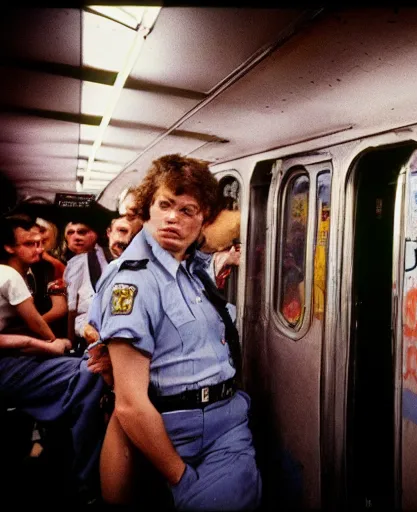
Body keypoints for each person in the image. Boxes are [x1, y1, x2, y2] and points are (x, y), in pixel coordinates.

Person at [89, 154, 260, 510]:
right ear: (147, 210)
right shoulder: (134, 281)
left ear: (202, 221)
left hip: (227, 422)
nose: (172, 218)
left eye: (187, 210)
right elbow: (131, 403)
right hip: (176, 430)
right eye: (164, 205)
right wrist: (179, 476)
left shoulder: (190, 270)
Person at [0, 215, 106, 505]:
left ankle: (74, 464)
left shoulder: (30, 273)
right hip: (8, 365)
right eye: (29, 244)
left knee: (87, 374)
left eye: (40, 242)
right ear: (9, 247)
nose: (38, 249)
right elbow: (45, 331)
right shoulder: (8, 276)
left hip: (15, 358)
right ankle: (88, 479)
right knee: (92, 374)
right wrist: (42, 342)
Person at [67, 215, 143, 355]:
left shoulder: (147, 269)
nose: (127, 239)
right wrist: (86, 331)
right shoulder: (81, 263)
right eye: (122, 230)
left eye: (136, 234)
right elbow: (71, 313)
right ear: (109, 232)